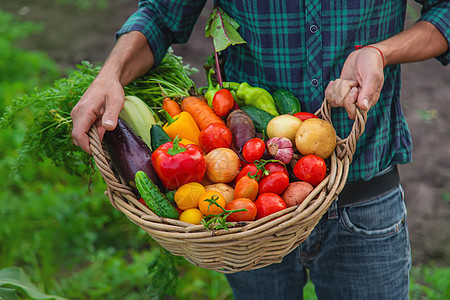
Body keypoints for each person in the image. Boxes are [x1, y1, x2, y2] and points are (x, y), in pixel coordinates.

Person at [71, 1, 449, 299]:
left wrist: (380, 52)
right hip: (245, 216)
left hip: (364, 191)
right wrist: (109, 76)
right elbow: (160, 14)